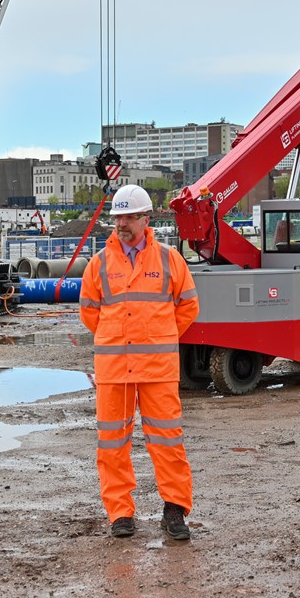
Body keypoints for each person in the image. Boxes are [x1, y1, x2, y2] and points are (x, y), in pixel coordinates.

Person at [79, 184, 200, 540]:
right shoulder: (99, 263)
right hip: (114, 370)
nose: (122, 224)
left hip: (157, 370)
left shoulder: (168, 259)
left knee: (168, 442)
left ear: (146, 219)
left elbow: (189, 306)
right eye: (118, 217)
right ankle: (120, 514)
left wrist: (157, 336)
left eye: (130, 217)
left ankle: (175, 510)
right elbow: (89, 313)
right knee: (112, 444)